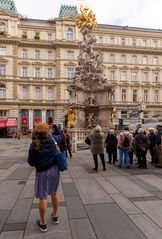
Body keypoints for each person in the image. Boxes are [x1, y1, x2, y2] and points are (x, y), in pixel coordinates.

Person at [27, 123, 60, 233]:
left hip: (42, 172)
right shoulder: (52, 140)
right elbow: (59, 137)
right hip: (54, 170)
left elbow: (31, 162)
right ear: (47, 131)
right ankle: (55, 217)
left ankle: (43, 223)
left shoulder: (34, 144)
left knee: (43, 197)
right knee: (54, 193)